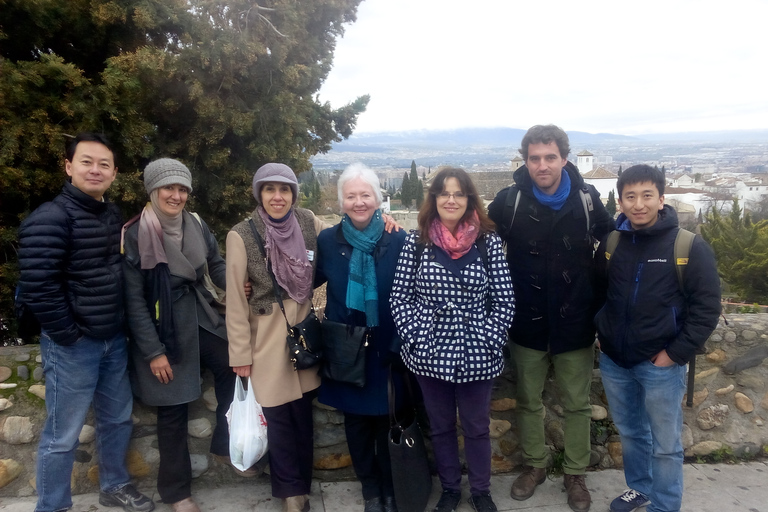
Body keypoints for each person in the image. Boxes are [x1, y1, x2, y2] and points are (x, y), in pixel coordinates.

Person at [17, 133, 155, 512]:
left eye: (104, 164)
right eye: (86, 162)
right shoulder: (50, 218)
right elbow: (39, 286)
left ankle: (114, 486)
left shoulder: (110, 214)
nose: (95, 170)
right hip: (73, 345)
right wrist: (68, 336)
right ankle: (53, 506)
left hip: (113, 338)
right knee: (62, 435)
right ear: (68, 166)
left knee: (118, 421)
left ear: (114, 173)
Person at [487, 124, 613, 512]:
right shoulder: (510, 201)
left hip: (576, 321)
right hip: (525, 322)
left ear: (564, 158)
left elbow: (614, 245)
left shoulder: (587, 198)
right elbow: (471, 233)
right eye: (535, 158)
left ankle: (575, 473)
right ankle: (536, 465)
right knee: (528, 401)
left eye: (550, 157)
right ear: (526, 160)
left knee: (576, 404)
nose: (542, 165)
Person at [594, 165, 720, 512]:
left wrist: (674, 354)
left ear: (661, 198)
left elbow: (707, 309)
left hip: (661, 364)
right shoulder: (612, 243)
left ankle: (664, 506)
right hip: (615, 360)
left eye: (647, 195)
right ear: (620, 201)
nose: (639, 204)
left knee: (665, 444)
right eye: (630, 197)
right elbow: (597, 292)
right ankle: (640, 489)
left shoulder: (688, 246)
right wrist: (601, 333)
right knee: (632, 433)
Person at [122, 159, 246, 512]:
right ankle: (177, 493)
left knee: (233, 363)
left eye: (182, 189)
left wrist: (238, 285)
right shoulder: (135, 234)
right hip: (163, 328)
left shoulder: (196, 224)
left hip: (201, 315)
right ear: (153, 190)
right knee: (172, 408)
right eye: (169, 188)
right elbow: (133, 301)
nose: (176, 196)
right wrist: (153, 352)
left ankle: (223, 446)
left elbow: (215, 263)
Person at [390, 167, 515, 512]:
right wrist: (416, 337)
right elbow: (399, 298)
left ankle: (480, 490)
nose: (451, 199)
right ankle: (449, 488)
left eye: (459, 193)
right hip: (429, 351)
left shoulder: (487, 242)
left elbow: (504, 299)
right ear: (433, 199)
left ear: (469, 199)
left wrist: (490, 337)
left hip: (478, 350)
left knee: (476, 427)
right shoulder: (416, 243)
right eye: (444, 193)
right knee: (441, 427)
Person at [226, 163, 329, 512]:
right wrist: (240, 353)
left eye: (284, 190)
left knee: (302, 416)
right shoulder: (242, 234)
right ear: (259, 194)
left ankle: (301, 483)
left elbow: (341, 239)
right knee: (278, 419)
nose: (277, 197)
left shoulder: (309, 223)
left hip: (301, 335)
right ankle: (291, 495)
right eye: (269, 189)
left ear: (294, 194)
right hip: (266, 340)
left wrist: (385, 222)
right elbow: (236, 302)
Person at [315, 163, 407, 512]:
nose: (358, 202)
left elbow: (414, 290)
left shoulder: (397, 237)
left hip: (387, 344)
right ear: (341, 201)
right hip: (348, 346)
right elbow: (304, 279)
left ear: (377, 198)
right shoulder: (328, 239)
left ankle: (390, 486)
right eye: (350, 196)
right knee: (355, 423)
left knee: (388, 418)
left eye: (365, 194)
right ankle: (370, 490)